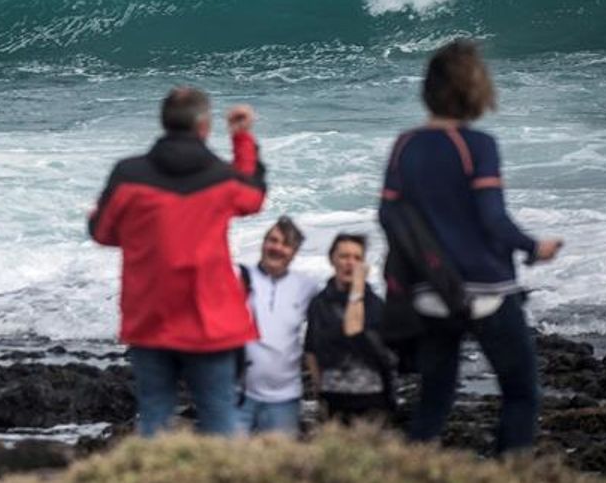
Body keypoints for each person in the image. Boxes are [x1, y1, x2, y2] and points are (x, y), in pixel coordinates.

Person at [380, 39, 563, 454]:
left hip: (432, 293)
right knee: (520, 393)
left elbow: (388, 216)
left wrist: (425, 267)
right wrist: (535, 248)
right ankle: (507, 472)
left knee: (434, 400)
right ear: (472, 90)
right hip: (486, 291)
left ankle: (409, 471)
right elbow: (493, 221)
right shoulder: (477, 145)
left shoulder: (404, 145)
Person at [88, 86, 267, 436]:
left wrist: (140, 234)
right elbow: (253, 197)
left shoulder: (128, 175)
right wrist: (242, 138)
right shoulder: (222, 177)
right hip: (209, 318)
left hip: (150, 316)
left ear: (164, 122)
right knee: (220, 416)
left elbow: (102, 232)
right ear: (203, 127)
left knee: (154, 416)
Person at [235, 216, 320, 436]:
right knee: (229, 465)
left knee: (279, 467)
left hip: (284, 399)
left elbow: (325, 332)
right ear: (263, 243)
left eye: (285, 244)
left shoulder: (306, 287)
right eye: (272, 240)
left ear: (294, 252)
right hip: (238, 395)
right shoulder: (240, 277)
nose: (277, 248)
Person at [304, 233, 394, 425]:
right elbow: (310, 350)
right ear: (332, 259)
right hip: (332, 397)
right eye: (344, 256)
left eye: (357, 258)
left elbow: (353, 328)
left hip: (372, 398)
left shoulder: (374, 304)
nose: (350, 263)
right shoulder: (320, 304)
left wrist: (358, 288)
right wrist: (318, 391)